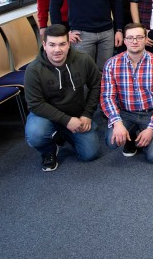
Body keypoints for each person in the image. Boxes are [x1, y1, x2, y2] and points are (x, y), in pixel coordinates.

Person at [24, 24, 100, 171]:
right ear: (44, 45)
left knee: (90, 154)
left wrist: (87, 114)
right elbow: (35, 104)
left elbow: (96, 85)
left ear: (69, 44)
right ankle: (48, 151)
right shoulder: (33, 70)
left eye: (62, 44)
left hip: (76, 114)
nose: (57, 50)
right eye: (52, 45)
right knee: (36, 134)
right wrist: (66, 120)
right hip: (46, 117)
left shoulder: (83, 60)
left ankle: (61, 135)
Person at [100, 23, 153, 163]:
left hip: (150, 113)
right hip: (125, 113)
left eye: (139, 37)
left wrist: (151, 128)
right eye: (130, 38)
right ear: (124, 41)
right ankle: (130, 138)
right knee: (111, 142)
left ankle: (147, 134)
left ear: (145, 39)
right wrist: (117, 123)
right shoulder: (111, 64)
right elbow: (107, 97)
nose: (134, 41)